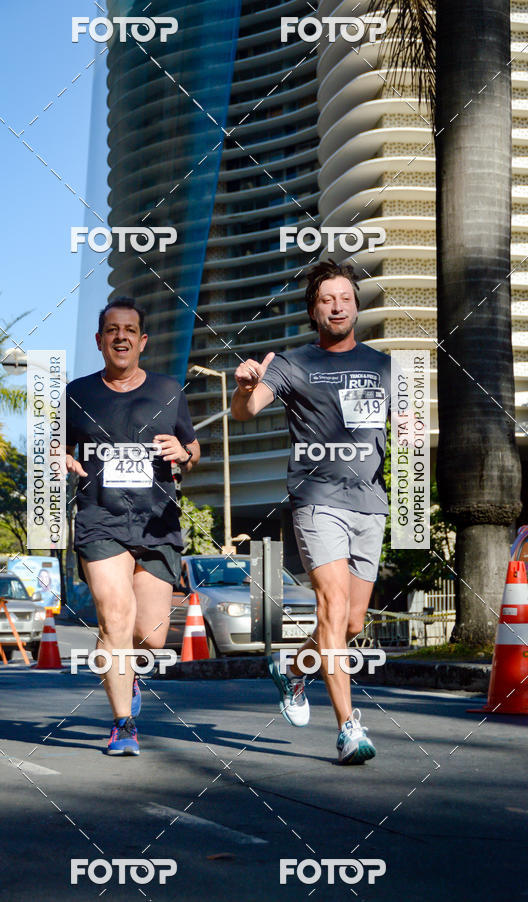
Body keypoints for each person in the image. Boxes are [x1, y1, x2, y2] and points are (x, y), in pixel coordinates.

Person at [231, 260, 390, 765]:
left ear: (356, 306)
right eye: (327, 299)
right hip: (317, 498)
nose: (337, 305)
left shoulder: (386, 366)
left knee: (350, 624)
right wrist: (242, 384)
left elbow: (404, 425)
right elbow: (247, 409)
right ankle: (348, 727)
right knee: (333, 608)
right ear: (313, 310)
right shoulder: (292, 362)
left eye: (345, 297)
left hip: (371, 502)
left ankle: (295, 669)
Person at [64, 297, 200, 755]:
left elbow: (193, 449)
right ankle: (123, 724)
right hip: (99, 519)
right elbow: (51, 448)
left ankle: (132, 668)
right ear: (99, 340)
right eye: (111, 330)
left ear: (142, 341)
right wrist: (58, 457)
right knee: (115, 615)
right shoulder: (75, 393)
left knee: (151, 635)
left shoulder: (167, 390)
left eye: (129, 330)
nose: (120, 336)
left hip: (157, 523)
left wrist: (184, 454)